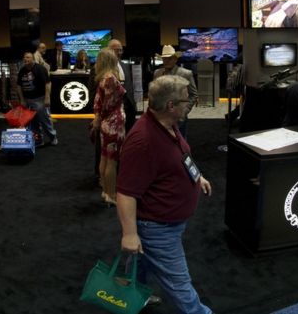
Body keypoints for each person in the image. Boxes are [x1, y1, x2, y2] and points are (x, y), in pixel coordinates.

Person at [116, 75, 213, 314]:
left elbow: (179, 155)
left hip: (166, 222)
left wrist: (196, 176)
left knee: (140, 264)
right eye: (186, 98)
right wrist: (129, 234)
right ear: (171, 105)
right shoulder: (142, 141)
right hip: (157, 227)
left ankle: (132, 296)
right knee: (180, 285)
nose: (190, 102)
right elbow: (126, 193)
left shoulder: (168, 125)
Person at [91, 49, 126, 206]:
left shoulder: (102, 79)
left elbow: (98, 104)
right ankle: (112, 195)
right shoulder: (111, 78)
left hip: (106, 123)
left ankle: (106, 191)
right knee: (112, 161)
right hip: (113, 124)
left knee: (104, 158)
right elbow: (108, 104)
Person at [153, 45, 197, 137]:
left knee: (180, 145)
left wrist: (183, 112)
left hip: (178, 118)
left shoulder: (185, 73)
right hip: (161, 117)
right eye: (164, 58)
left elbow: (193, 94)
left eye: (169, 58)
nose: (166, 61)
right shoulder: (157, 73)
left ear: (175, 59)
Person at [16, 52, 58, 146]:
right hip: (28, 100)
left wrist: (47, 98)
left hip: (40, 99)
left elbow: (48, 83)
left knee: (45, 121)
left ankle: (53, 137)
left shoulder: (40, 68)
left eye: (28, 57)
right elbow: (19, 86)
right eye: (24, 57)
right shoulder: (22, 70)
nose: (25, 59)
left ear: (33, 59)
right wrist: (22, 100)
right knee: (33, 123)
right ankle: (39, 140)